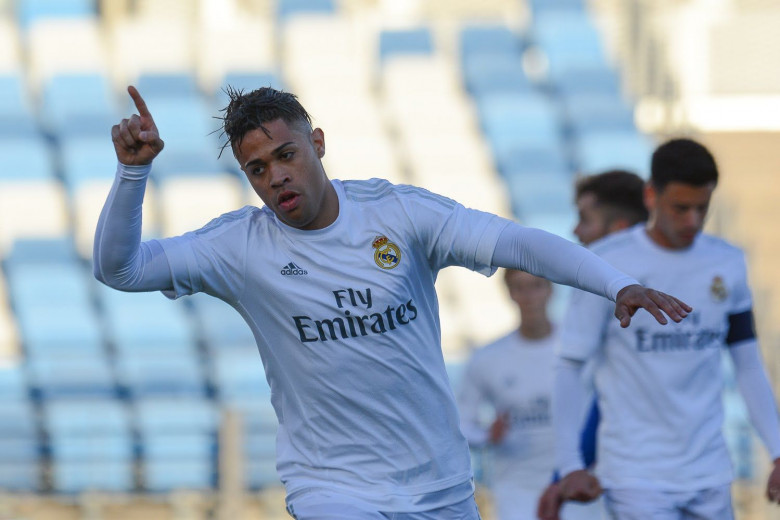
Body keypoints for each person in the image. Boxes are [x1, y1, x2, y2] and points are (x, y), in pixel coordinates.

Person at [94, 85, 689, 520]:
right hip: (332, 488)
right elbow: (120, 268)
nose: (275, 177)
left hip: (439, 484)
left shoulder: (399, 214)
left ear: (317, 144)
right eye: (257, 168)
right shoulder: (239, 247)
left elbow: (516, 242)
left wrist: (616, 284)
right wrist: (131, 174)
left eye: (285, 155)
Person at [552, 138, 780, 519]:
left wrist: (777, 449)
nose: (692, 221)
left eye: (702, 208)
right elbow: (569, 365)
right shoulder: (605, 264)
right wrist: (568, 464)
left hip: (709, 471)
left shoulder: (727, 262)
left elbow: (747, 363)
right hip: (635, 476)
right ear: (651, 196)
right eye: (680, 208)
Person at [537, 169, 649, 520]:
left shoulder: (620, 295)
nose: (576, 231)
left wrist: (563, 476)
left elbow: (607, 404)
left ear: (618, 229)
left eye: (585, 219)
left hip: (642, 477)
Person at [458, 269, 601, 520]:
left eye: (536, 286)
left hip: (576, 484)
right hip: (516, 490)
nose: (529, 296)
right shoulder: (487, 358)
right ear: (509, 293)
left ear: (551, 290)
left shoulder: (582, 349)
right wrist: (487, 435)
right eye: (519, 287)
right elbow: (460, 424)